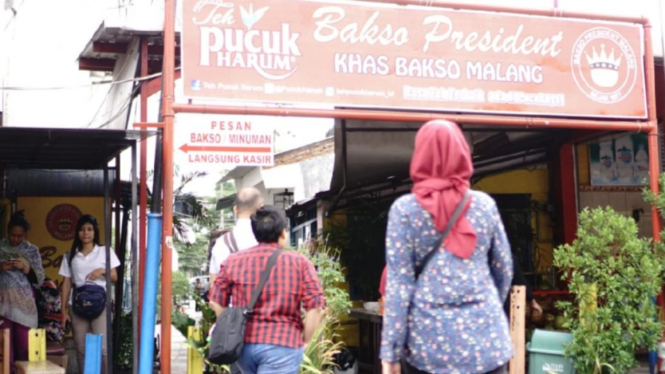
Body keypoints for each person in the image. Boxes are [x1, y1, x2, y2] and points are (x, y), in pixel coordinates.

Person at [380, 120, 514, 374]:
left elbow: (399, 285)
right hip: (487, 347)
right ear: (462, 152)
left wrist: (390, 354)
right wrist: (482, 310)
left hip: (428, 350)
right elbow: (503, 269)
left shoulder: (405, 211)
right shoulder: (484, 206)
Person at [209, 205, 325, 374]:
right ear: (283, 232)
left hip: (243, 345)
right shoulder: (299, 262)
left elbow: (215, 300)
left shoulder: (233, 261)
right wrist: (306, 340)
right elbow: (316, 307)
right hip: (283, 343)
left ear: (256, 233)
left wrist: (232, 327)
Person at [59, 215, 120, 374]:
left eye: (89, 229)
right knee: (81, 349)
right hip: (77, 306)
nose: (85, 233)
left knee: (103, 349)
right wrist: (63, 311)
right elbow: (66, 284)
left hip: (101, 306)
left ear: (95, 232)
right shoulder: (70, 255)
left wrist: (101, 271)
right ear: (77, 232)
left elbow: (114, 276)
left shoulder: (105, 251)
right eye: (82, 229)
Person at [0, 211, 45, 372]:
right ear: (7, 232)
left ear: (25, 235)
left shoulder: (32, 251)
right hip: (3, 304)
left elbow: (40, 278)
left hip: (24, 306)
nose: (15, 239)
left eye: (20, 236)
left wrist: (26, 268)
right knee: (5, 347)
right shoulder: (0, 247)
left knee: (25, 345)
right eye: (13, 235)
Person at [209, 187, 264, 284]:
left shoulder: (222, 243)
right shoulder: (268, 239)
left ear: (235, 209)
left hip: (232, 299)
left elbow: (214, 284)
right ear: (261, 208)